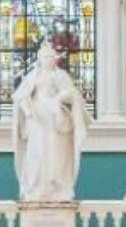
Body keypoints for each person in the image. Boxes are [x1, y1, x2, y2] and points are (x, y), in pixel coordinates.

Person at [12, 40, 90, 201]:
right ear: (39, 59)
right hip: (37, 119)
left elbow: (72, 94)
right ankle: (35, 188)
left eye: (50, 57)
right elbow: (20, 95)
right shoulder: (33, 76)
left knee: (56, 153)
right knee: (36, 153)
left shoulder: (60, 75)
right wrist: (27, 111)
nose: (48, 60)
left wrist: (58, 98)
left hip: (55, 120)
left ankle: (57, 188)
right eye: (44, 57)